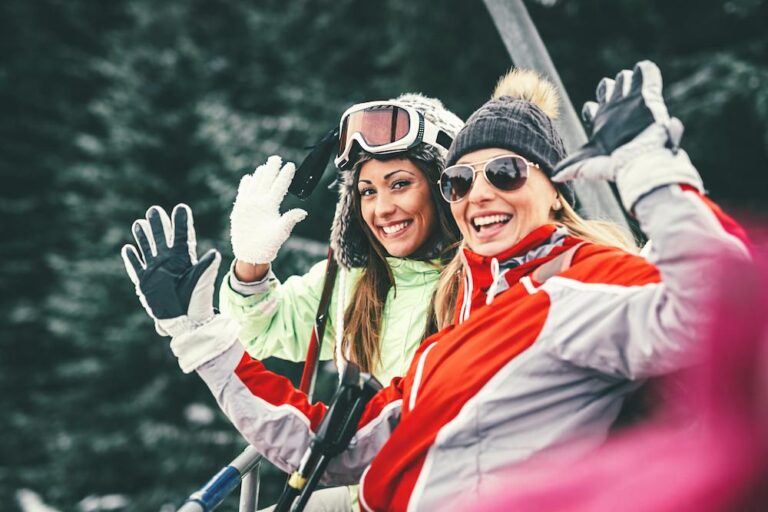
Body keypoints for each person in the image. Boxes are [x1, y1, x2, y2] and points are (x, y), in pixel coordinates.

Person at [122, 61, 751, 511]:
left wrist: (650, 169)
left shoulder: (577, 283)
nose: (479, 193)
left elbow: (723, 308)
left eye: (504, 173)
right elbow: (330, 440)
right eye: (462, 183)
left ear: (554, 185)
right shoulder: (435, 316)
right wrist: (202, 326)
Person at [221, 93, 463, 388]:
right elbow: (260, 332)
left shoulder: (487, 281)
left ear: (446, 186)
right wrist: (251, 261)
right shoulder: (348, 284)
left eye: (400, 184)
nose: (382, 209)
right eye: (367, 191)